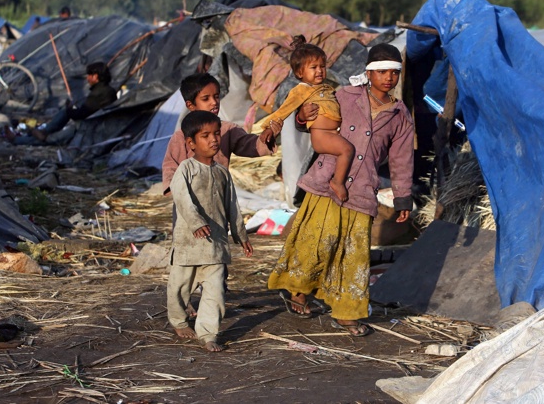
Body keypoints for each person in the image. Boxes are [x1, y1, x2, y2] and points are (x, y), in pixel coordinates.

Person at [268, 43, 415, 336]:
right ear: (368, 73)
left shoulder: (400, 115)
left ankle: (347, 312)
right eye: (382, 71)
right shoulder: (344, 96)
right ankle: (297, 291)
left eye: (394, 72)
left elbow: (401, 159)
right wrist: (301, 117)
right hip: (326, 181)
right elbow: (314, 121)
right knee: (316, 242)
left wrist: (403, 198)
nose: (388, 78)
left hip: (361, 190)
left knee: (354, 254)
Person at [167, 110, 252, 352]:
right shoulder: (186, 169)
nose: (213, 139)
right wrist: (195, 223)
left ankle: (208, 334)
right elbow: (181, 198)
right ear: (191, 143)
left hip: (215, 246)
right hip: (188, 245)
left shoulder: (222, 172)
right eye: (205, 136)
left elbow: (232, 207)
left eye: (216, 134)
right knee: (179, 289)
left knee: (215, 294)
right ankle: (179, 321)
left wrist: (240, 236)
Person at [257, 35, 354, 203]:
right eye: (314, 67)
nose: (319, 71)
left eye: (322, 66)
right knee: (347, 150)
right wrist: (269, 128)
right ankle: (337, 183)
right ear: (300, 72)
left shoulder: (327, 89)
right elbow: (283, 111)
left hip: (333, 134)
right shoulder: (300, 91)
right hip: (322, 136)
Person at [161, 73, 283, 196]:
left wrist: (267, 136)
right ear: (190, 105)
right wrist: (177, 193)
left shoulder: (227, 129)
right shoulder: (181, 136)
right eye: (206, 99)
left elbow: (249, 145)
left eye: (216, 96)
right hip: (190, 200)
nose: (214, 102)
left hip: (219, 196)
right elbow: (171, 166)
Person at [6, 61, 116, 145]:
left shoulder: (97, 93)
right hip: (96, 125)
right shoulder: (109, 90)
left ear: (95, 76)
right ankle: (41, 133)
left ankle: (22, 138)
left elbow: (82, 114)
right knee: (58, 125)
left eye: (89, 76)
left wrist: (69, 110)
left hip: (89, 128)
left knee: (50, 139)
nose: (87, 79)